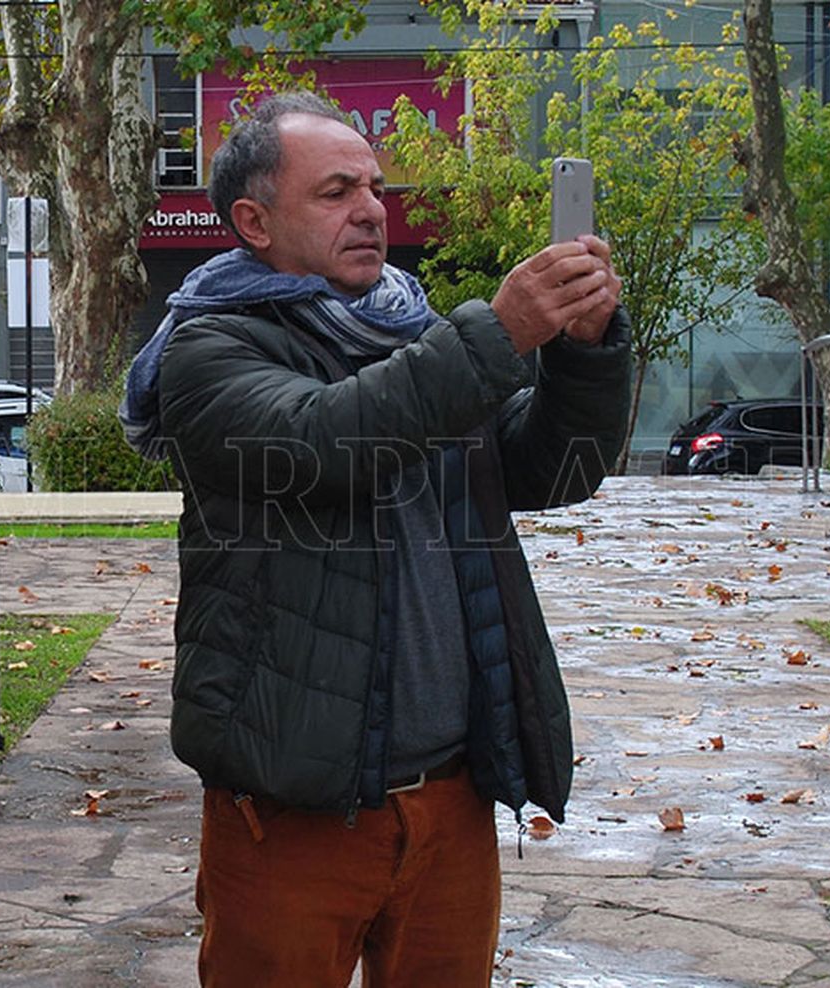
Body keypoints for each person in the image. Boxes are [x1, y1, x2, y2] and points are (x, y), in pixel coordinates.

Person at [124, 90, 631, 987]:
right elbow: (326, 442)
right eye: (334, 192)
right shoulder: (208, 352)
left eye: (375, 187)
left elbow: (554, 471)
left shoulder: (418, 333)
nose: (370, 210)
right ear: (254, 221)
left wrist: (580, 353)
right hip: (292, 810)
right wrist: (500, 332)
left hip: (449, 803)